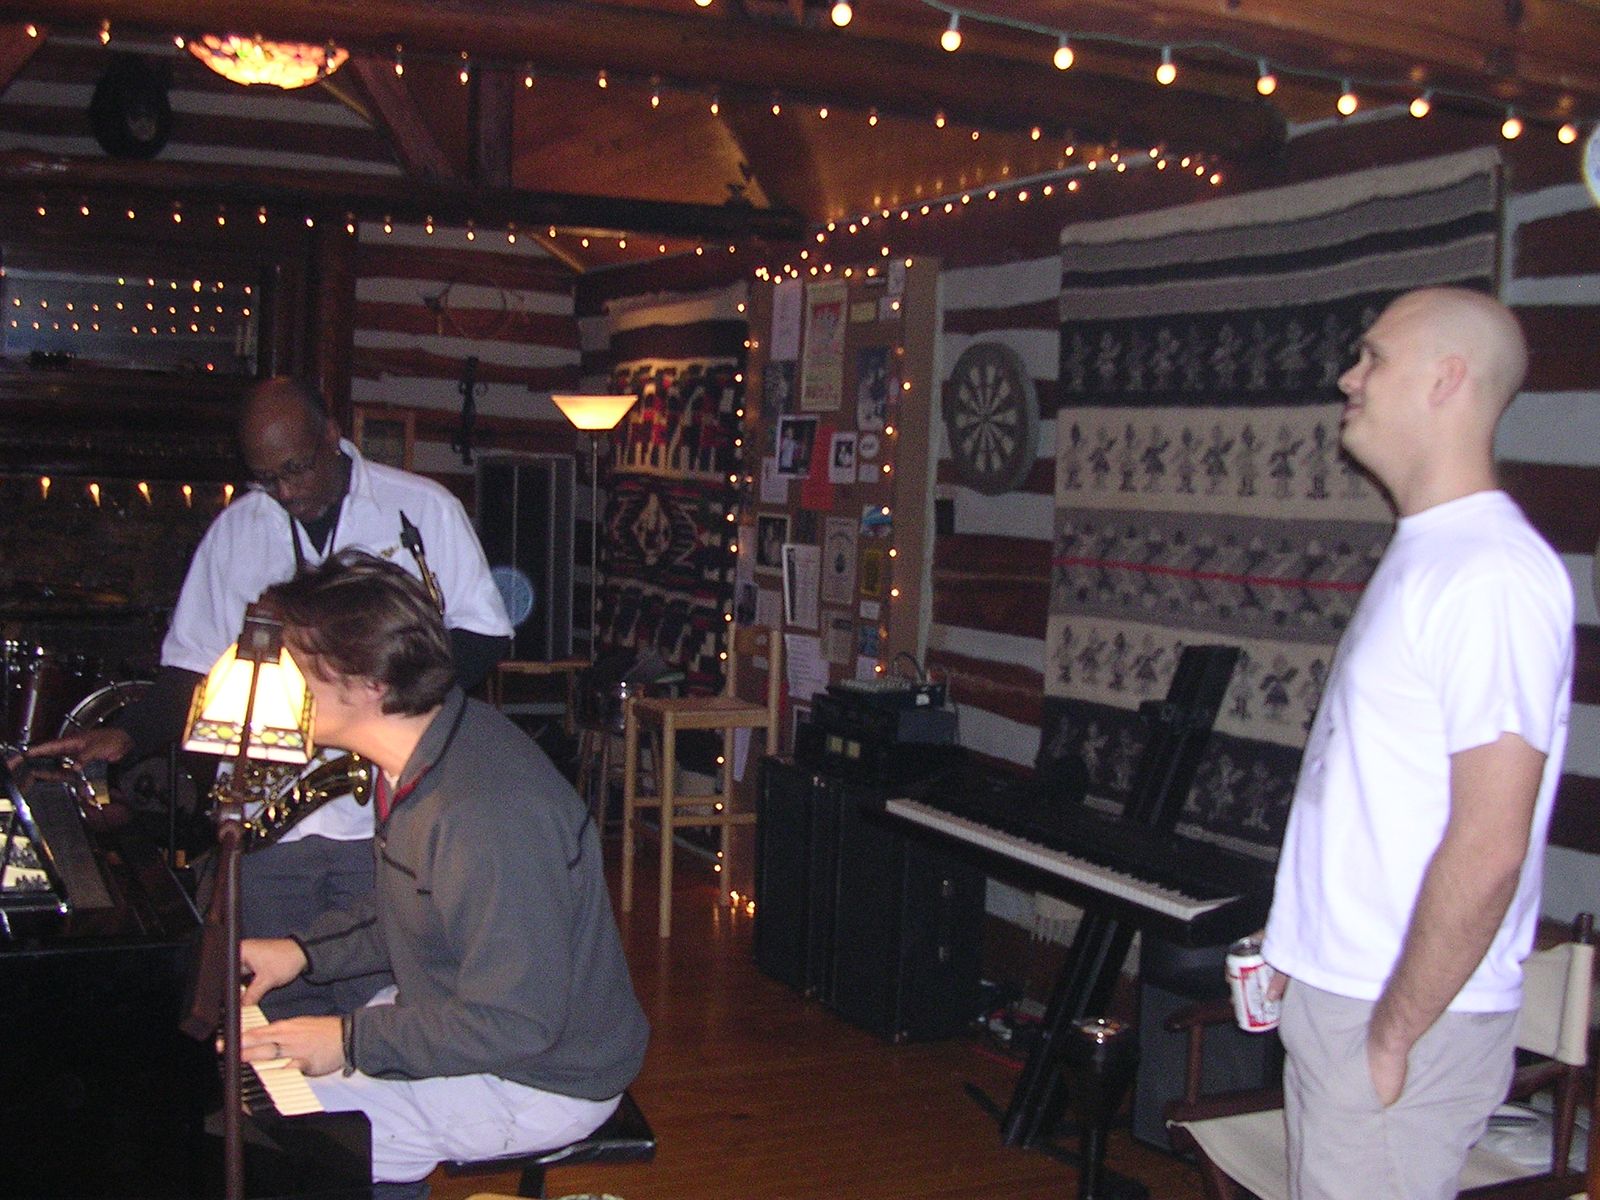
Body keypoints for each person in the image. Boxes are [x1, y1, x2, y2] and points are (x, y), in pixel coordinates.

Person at [31, 377, 513, 1017]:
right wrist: (127, 734)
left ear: (332, 435)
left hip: (387, 823)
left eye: (297, 469)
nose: (285, 492)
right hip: (267, 824)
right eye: (266, 479)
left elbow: (484, 635)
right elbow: (192, 667)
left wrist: (385, 704)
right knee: (276, 1011)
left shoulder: (423, 510)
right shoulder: (235, 532)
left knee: (384, 1008)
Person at [1260, 288, 1574, 1200]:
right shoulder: (1430, 551)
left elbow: (1491, 845)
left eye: (1374, 357)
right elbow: (1369, 793)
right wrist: (1297, 946)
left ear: (1445, 380)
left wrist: (1392, 1037)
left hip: (1400, 1015)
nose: (1348, 378)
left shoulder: (1490, 574)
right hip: (1352, 995)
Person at [238, 551, 647, 1192]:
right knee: (278, 1089)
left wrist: (347, 1040)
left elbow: (516, 1020)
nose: (276, 685)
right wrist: (300, 952)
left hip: (543, 1075)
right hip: (471, 1016)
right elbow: (417, 907)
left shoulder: (483, 812)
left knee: (313, 1140)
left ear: (369, 682)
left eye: (294, 667)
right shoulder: (423, 751)